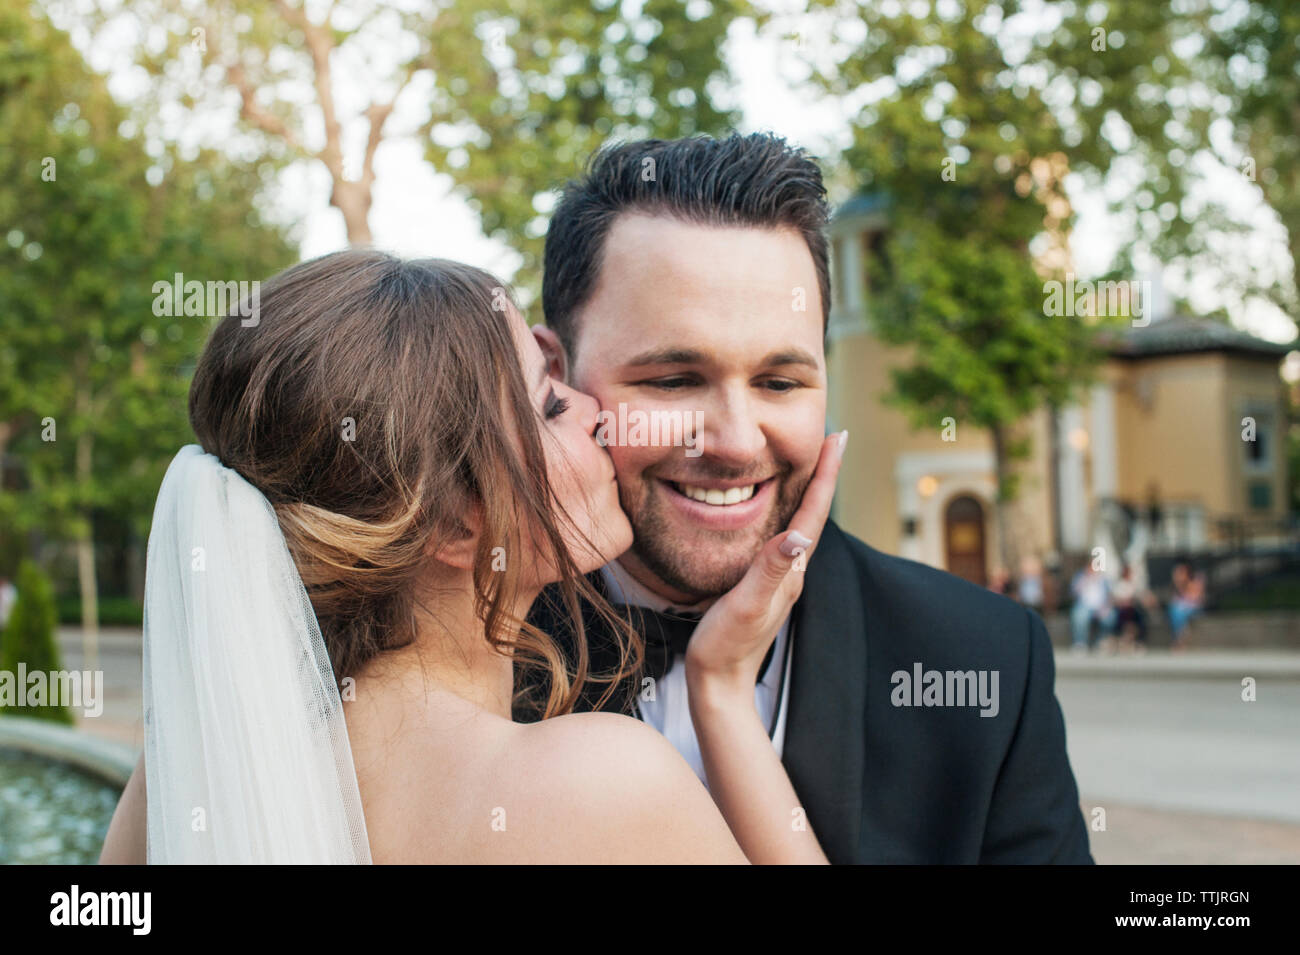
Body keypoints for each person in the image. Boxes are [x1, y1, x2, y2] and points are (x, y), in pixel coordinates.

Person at [99, 251, 847, 864]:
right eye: (550, 405)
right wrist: (721, 692)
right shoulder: (600, 785)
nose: (593, 412)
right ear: (454, 526)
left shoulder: (190, 774)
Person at [527, 133, 1092, 862]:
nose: (734, 441)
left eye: (780, 382)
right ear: (553, 371)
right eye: (672, 380)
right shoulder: (448, 654)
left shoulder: (985, 661)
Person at [1069, 563, 1113, 654]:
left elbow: (1110, 595)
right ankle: (1080, 643)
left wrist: (1106, 608)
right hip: (1084, 606)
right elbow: (1073, 592)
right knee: (1079, 616)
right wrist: (1084, 581)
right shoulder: (1080, 577)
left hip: (1101, 606)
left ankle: (1100, 643)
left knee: (1110, 618)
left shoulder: (1104, 579)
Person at [1167, 561, 1206, 652]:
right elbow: (1174, 598)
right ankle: (1180, 637)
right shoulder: (1178, 583)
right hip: (1182, 609)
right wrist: (1178, 583)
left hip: (1195, 607)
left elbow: (1196, 598)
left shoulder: (1197, 579)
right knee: (1174, 611)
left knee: (1178, 612)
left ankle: (1178, 640)